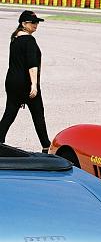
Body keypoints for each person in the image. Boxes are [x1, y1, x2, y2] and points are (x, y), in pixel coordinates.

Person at [0, 10, 51, 153]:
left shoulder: (15, 38)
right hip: (25, 83)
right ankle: (46, 145)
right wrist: (34, 84)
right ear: (23, 24)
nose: (36, 25)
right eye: (33, 22)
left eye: (37, 23)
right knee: (38, 113)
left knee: (10, 112)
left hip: (12, 82)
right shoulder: (29, 40)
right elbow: (31, 64)